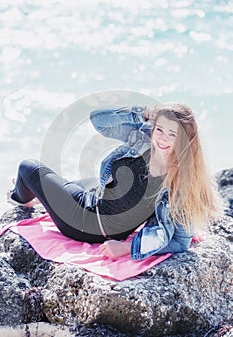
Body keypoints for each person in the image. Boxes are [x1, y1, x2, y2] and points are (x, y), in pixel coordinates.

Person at [7, 103, 223, 260]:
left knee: (28, 167)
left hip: (82, 223)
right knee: (86, 182)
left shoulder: (179, 184)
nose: (162, 138)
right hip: (95, 199)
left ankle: (21, 199)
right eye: (160, 129)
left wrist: (127, 249)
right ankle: (39, 199)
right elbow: (98, 121)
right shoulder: (144, 142)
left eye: (172, 135)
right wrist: (143, 114)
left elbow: (180, 242)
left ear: (186, 140)